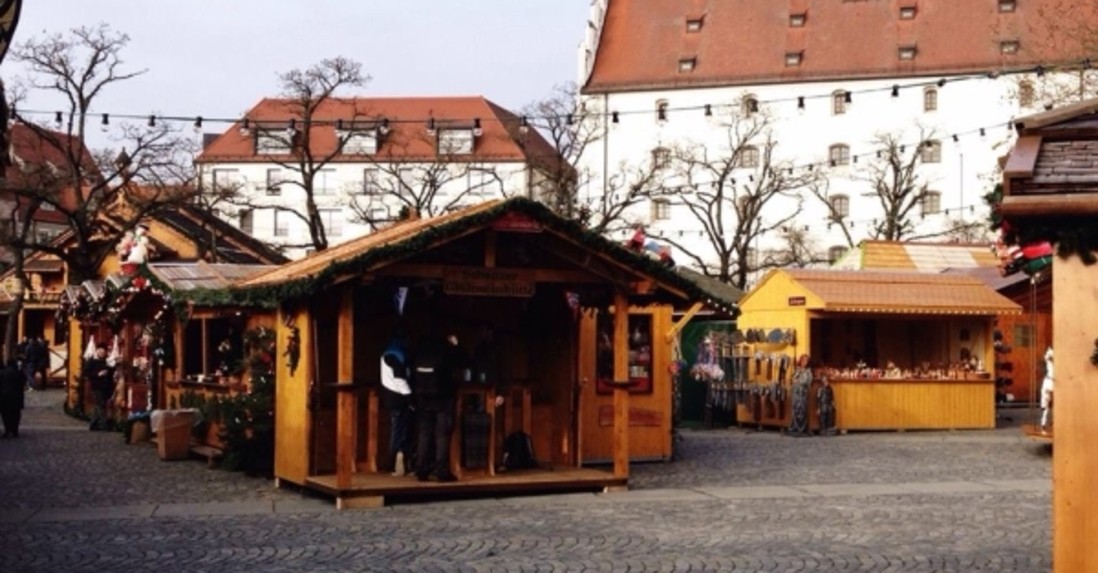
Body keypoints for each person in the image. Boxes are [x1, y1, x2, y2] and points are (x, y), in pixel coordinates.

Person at [413, 333, 466, 482]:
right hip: (443, 399)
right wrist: (456, 345)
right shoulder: (446, 352)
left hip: (423, 399)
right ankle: (442, 472)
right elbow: (464, 362)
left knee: (424, 434)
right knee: (442, 435)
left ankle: (421, 470)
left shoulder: (420, 352)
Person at [380, 331, 414, 477]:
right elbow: (399, 379)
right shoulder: (396, 354)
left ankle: (394, 463)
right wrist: (410, 397)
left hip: (390, 395)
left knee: (397, 430)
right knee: (399, 431)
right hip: (398, 397)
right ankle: (395, 463)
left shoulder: (388, 352)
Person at [85, 346, 115, 431]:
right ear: (97, 351)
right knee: (100, 405)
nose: (102, 353)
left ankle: (93, 424)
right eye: (100, 351)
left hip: (105, 386)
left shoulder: (106, 361)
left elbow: (111, 371)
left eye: (103, 352)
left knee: (98, 405)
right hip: (96, 386)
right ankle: (104, 425)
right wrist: (98, 374)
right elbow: (86, 373)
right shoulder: (91, 361)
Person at [787, 354, 813, 437]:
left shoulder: (808, 372)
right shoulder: (797, 370)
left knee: (802, 410)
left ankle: (802, 428)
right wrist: (794, 380)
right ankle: (795, 427)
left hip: (803, 394)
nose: (804, 362)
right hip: (796, 393)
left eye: (806, 360)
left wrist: (798, 381)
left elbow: (807, 382)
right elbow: (792, 379)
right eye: (803, 360)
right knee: (795, 409)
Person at [0, 359, 25, 438]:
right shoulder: (19, 373)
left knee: (5, 414)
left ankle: (7, 430)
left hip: (4, 396)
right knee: (16, 414)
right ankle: (15, 430)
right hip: (17, 396)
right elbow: (23, 382)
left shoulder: (2, 373)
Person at [1040, 347, 1054, 430]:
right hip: (1049, 381)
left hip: (1055, 382)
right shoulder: (1049, 355)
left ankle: (1051, 421)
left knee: (1053, 403)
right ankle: (1043, 422)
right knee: (1045, 403)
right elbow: (1047, 357)